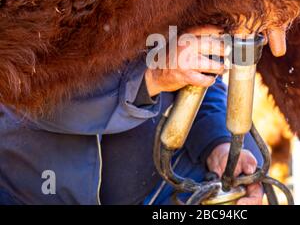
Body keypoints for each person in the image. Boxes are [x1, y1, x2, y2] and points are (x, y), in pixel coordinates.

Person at [0, 25, 264, 205]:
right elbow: (26, 96)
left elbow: (202, 71)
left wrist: (217, 142)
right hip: (30, 193)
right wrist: (151, 80)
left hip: (158, 189)